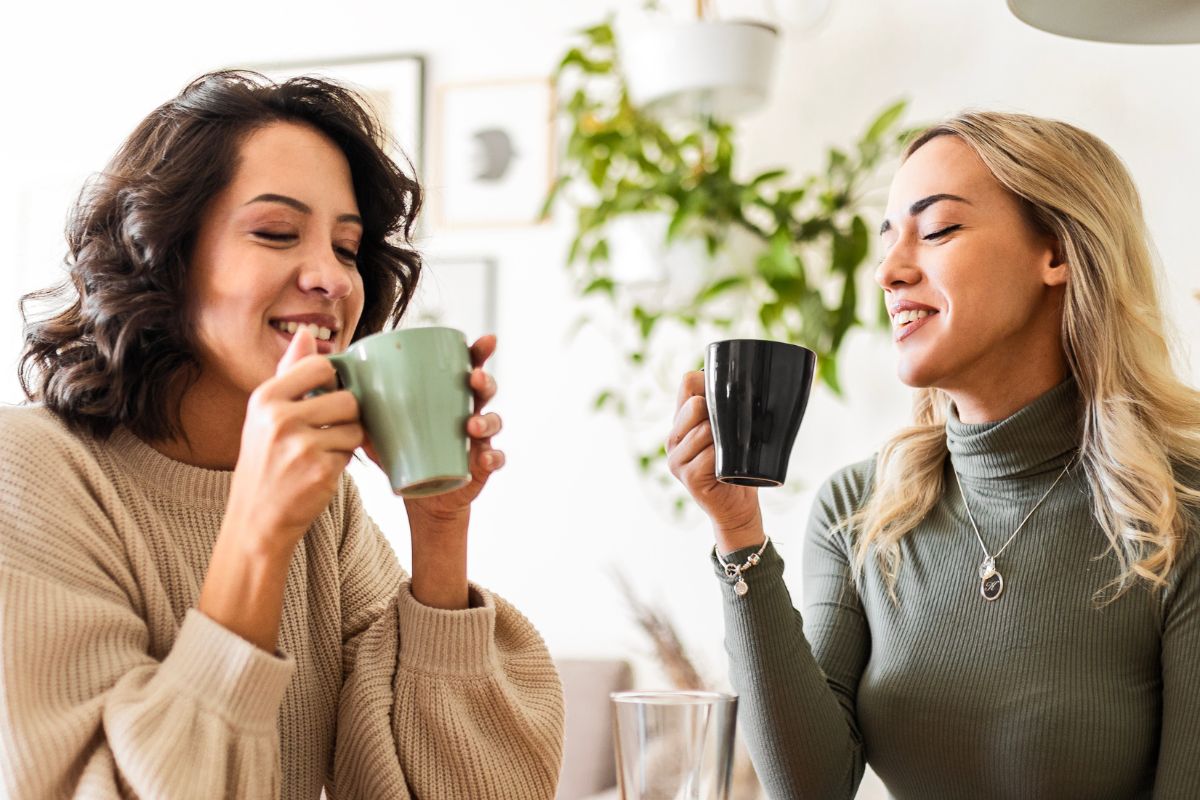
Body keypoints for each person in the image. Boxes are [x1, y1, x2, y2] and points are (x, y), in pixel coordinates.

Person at [0, 71, 563, 799]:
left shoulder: (326, 512)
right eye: (275, 232)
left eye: (348, 247)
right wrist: (257, 534)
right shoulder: (31, 473)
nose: (331, 278)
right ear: (162, 254)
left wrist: (440, 525)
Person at [667, 111, 1200, 798]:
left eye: (939, 229)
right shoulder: (857, 508)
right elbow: (809, 788)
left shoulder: (1179, 511)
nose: (888, 271)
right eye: (887, 239)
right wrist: (737, 533)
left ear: (1058, 254)